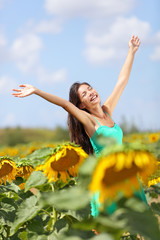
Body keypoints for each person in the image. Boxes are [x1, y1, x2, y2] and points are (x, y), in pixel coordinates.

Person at [12, 35, 146, 216]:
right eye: (84, 94)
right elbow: (66, 105)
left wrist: (131, 51)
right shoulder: (90, 122)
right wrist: (37, 91)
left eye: (90, 88)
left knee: (140, 226)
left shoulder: (107, 111)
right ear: (81, 105)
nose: (90, 92)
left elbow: (121, 82)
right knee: (109, 230)